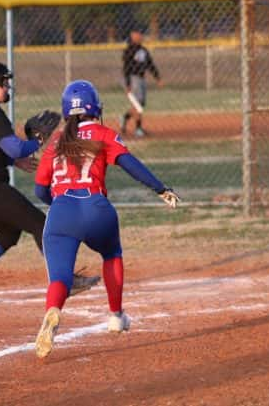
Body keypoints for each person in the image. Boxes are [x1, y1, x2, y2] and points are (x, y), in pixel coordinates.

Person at [32, 80, 180, 358]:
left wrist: (62, 207)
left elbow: (40, 188)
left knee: (61, 277)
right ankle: (115, 316)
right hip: (96, 207)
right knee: (111, 253)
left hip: (62, 209)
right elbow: (130, 164)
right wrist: (161, 188)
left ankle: (53, 310)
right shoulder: (103, 133)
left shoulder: (55, 141)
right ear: (94, 107)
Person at [0, 62, 100, 304]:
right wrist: (37, 140)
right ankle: (65, 280)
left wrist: (14, 162)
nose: (8, 88)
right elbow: (15, 147)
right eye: (4, 83)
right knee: (40, 224)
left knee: (10, 230)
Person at [121, 29, 163, 137]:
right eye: (137, 34)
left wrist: (157, 77)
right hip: (133, 78)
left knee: (141, 104)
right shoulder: (129, 50)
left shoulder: (143, 50)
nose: (140, 36)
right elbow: (126, 68)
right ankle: (138, 129)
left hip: (142, 79)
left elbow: (150, 64)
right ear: (132, 36)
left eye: (140, 34)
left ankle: (125, 117)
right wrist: (128, 84)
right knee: (138, 104)